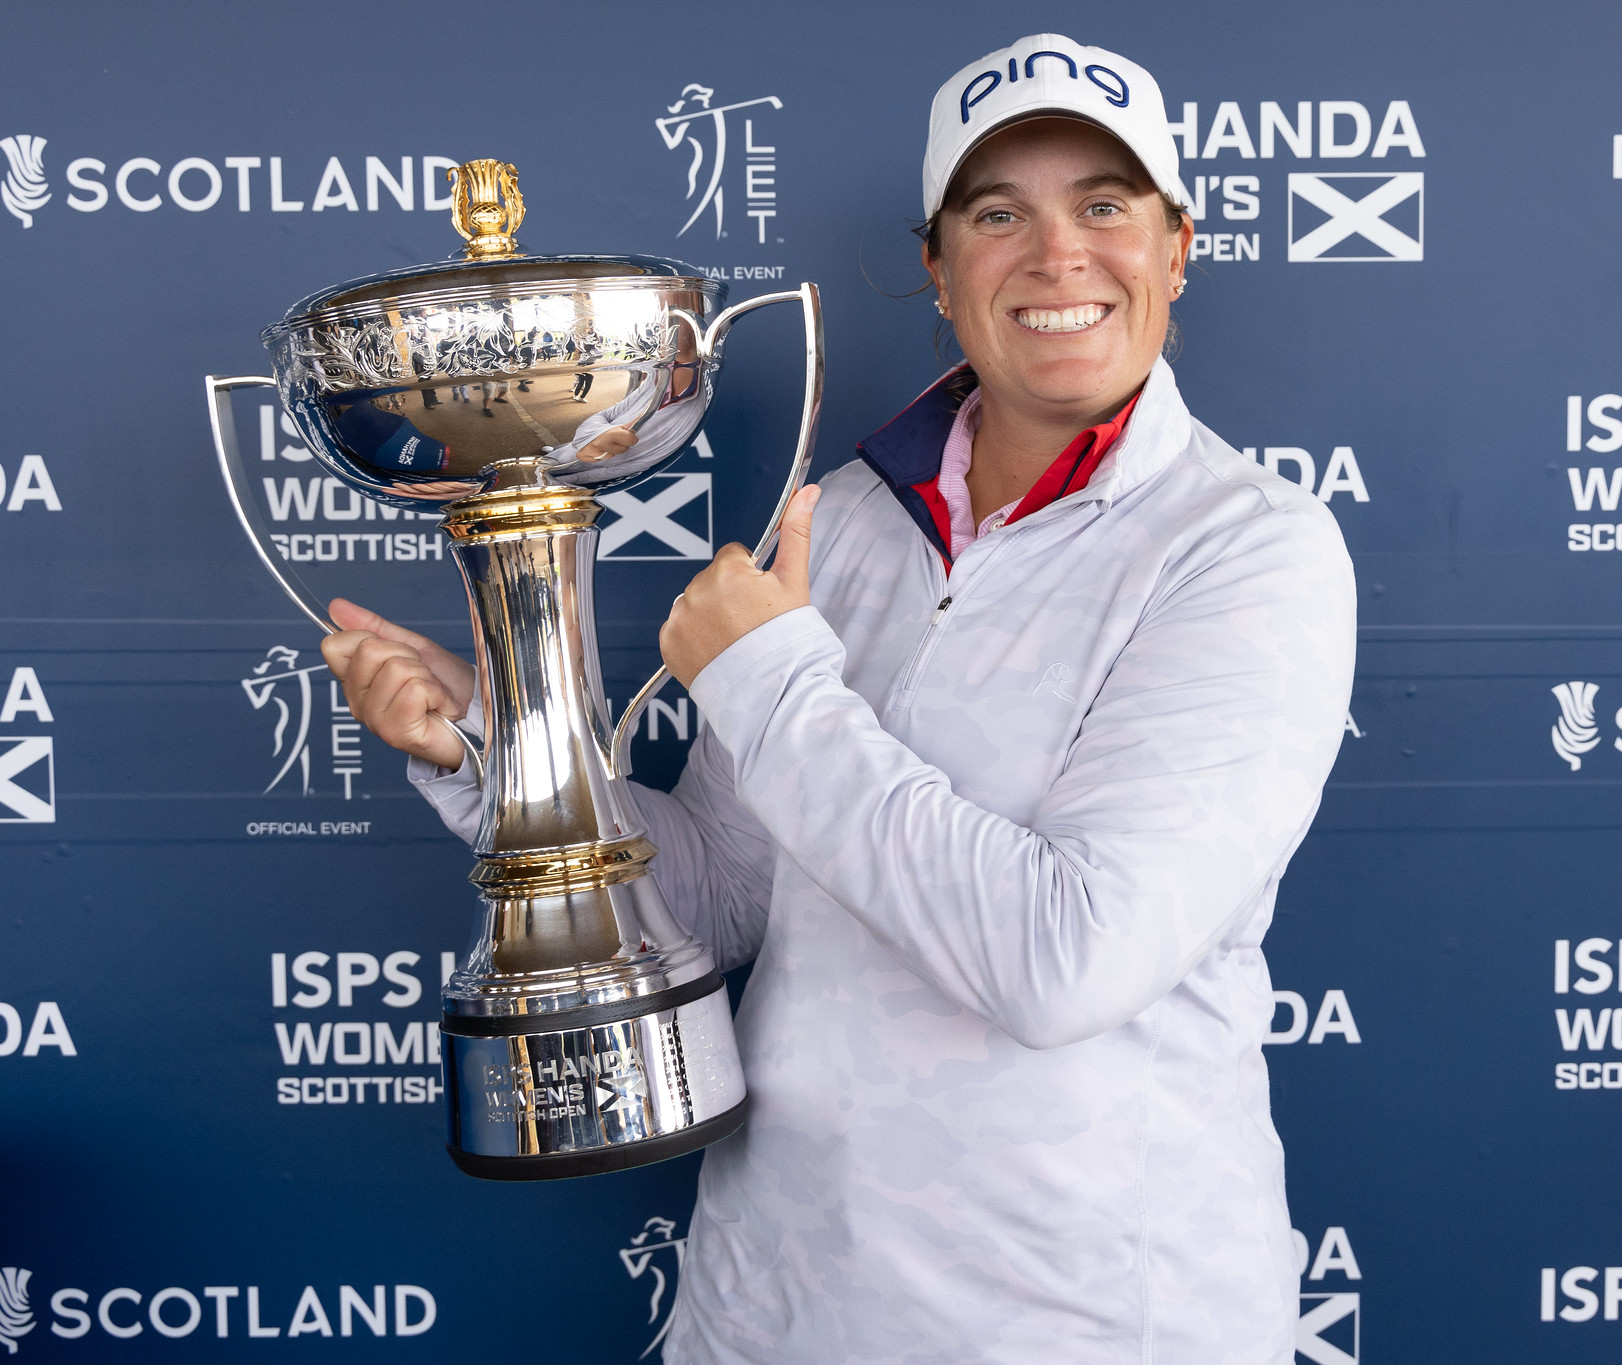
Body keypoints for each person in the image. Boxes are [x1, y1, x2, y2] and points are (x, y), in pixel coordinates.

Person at [321, 33, 1356, 1365]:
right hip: (773, 1306)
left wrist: (769, 680)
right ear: (938, 266)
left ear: (1176, 248)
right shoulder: (848, 516)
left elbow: (1067, 960)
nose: (1059, 256)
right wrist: (501, 743)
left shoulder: (1250, 548)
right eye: (999, 215)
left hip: (1080, 1324)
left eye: (1106, 206)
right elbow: (720, 897)